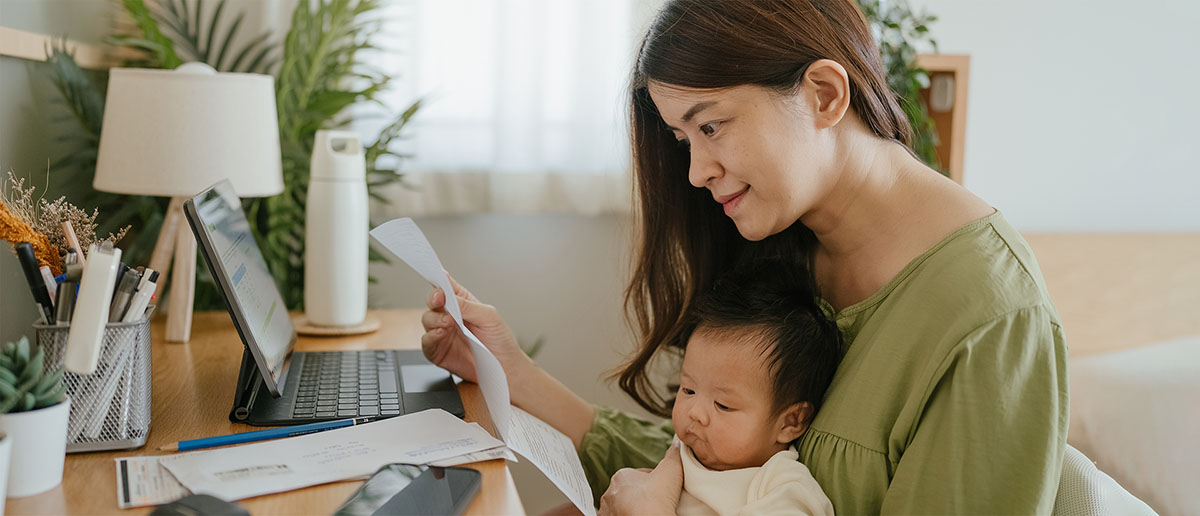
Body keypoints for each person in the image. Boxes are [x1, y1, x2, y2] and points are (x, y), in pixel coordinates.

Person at [420, 0, 1068, 513]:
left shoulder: (988, 320)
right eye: (682, 140)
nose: (697, 171)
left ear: (823, 95)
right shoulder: (791, 242)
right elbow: (728, 467)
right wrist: (511, 373)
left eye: (711, 126)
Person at [670, 258, 840, 516]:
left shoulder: (780, 486)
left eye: (723, 405)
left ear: (790, 421)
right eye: (688, 390)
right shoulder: (683, 449)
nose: (695, 413)